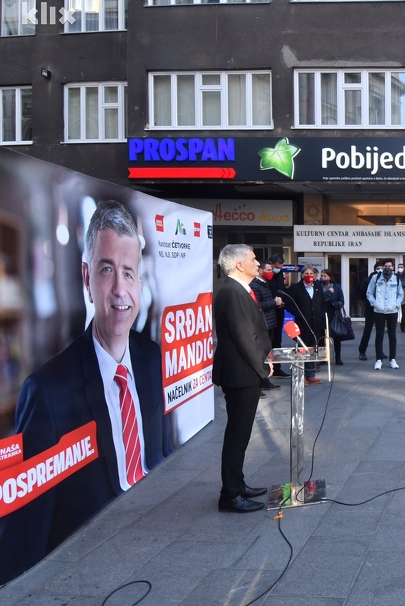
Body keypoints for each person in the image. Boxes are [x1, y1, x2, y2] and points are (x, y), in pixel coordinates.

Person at [0, 201, 172, 582]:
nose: (118, 290)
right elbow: (23, 539)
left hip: (160, 541)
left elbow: (161, 453)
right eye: (106, 270)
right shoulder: (45, 392)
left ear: (140, 284)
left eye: (128, 273)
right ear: (86, 277)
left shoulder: (153, 359)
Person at [213, 244, 272, 513]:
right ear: (239, 265)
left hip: (243, 370)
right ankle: (231, 495)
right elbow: (243, 336)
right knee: (237, 434)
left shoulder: (237, 289)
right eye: (253, 259)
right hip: (240, 373)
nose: (258, 263)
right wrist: (263, 367)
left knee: (241, 433)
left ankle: (238, 483)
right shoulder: (232, 291)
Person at [284, 265, 325, 384]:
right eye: (306, 273)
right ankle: (301, 376)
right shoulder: (296, 288)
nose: (309, 276)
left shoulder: (318, 287)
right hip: (302, 322)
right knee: (302, 348)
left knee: (312, 348)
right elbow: (289, 303)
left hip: (315, 322)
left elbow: (322, 303)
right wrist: (298, 313)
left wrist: (321, 315)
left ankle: (310, 374)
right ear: (302, 275)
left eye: (311, 274)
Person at [251, 261, 282, 394]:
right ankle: (260, 383)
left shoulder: (265, 284)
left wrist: (276, 303)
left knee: (267, 353)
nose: (271, 272)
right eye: (269, 270)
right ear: (260, 271)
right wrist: (274, 302)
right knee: (262, 355)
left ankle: (265, 381)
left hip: (270, 323)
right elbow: (258, 305)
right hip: (263, 324)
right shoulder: (255, 285)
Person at [367, 259, 403, 370]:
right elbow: (369, 293)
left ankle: (393, 359)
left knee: (392, 336)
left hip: (392, 311)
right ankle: (379, 359)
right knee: (379, 335)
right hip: (379, 311)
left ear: (393, 267)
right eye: (385, 266)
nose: (387, 268)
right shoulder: (376, 278)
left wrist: (396, 305)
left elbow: (400, 294)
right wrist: (375, 304)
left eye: (389, 266)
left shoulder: (396, 279)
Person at [267, 254, 289, 378]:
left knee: (277, 341)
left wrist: (283, 301)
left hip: (279, 310)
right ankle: (268, 368)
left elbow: (282, 289)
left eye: (280, 267)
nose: (278, 270)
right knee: (268, 341)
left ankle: (277, 367)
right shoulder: (266, 276)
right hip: (269, 311)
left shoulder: (280, 274)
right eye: (276, 267)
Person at [320, 269, 345, 365]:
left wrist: (334, 304)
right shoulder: (318, 287)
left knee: (336, 337)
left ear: (330, 277)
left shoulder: (337, 287)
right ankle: (323, 357)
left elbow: (342, 301)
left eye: (325, 276)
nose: (323, 278)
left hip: (334, 314)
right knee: (322, 337)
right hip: (322, 314)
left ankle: (338, 357)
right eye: (322, 276)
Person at [358, 261, 381, 360]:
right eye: (378, 268)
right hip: (370, 308)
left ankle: (380, 351)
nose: (380, 270)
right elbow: (362, 293)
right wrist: (368, 302)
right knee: (368, 330)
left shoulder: (385, 280)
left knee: (380, 331)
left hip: (381, 309)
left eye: (382, 268)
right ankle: (362, 351)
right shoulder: (367, 280)